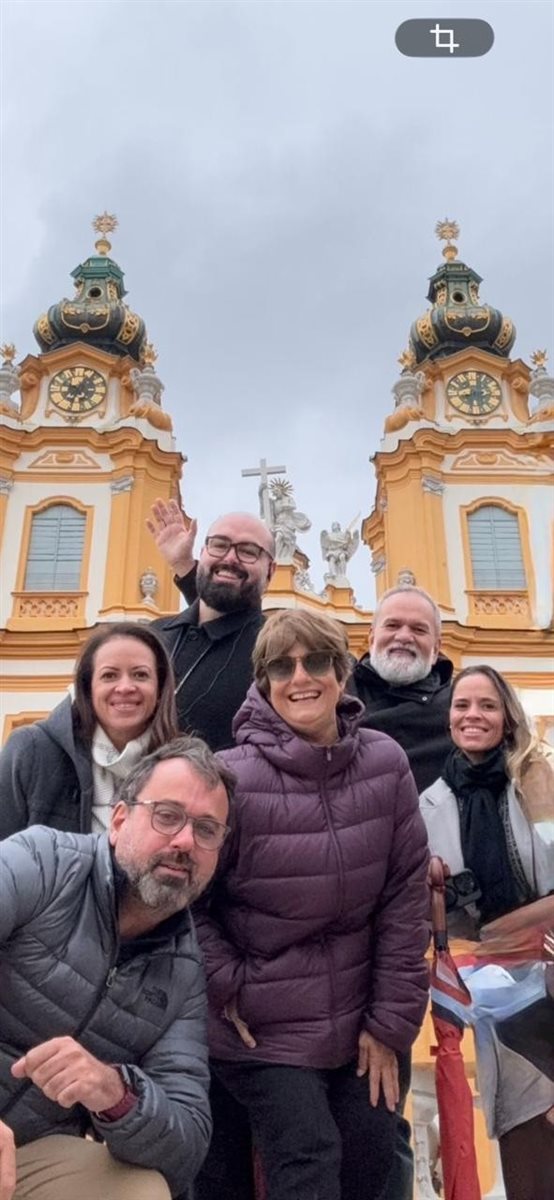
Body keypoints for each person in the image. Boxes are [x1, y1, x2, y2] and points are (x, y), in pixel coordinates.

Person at [195, 609, 430, 1200]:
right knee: (307, 1156)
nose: (301, 677)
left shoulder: (385, 761)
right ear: (263, 682)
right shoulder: (229, 777)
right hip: (263, 1022)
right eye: (281, 666)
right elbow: (188, 902)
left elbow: (405, 898)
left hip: (361, 1014)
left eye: (317, 661)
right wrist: (230, 987)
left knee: (371, 1151)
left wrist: (390, 1025)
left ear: (343, 673)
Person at [0, 736, 234, 1200]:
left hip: (32, 1153)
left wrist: (115, 1093)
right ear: (120, 819)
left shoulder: (183, 972)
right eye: (167, 815)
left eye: (207, 829)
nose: (185, 841)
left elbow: (186, 1143)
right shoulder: (43, 862)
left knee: (139, 1189)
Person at [420, 665, 554, 1200]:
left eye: (487, 706)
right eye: (461, 705)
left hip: (545, 968)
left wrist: (514, 928)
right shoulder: (429, 801)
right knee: (522, 1127)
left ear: (507, 718)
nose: (473, 716)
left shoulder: (536, 782)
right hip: (491, 992)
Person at [0, 621, 178, 838]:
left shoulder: (180, 767)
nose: (125, 687)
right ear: (87, 688)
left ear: (160, 689)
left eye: (140, 675)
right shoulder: (30, 750)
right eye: (109, 675)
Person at [147, 500, 275, 751]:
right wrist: (183, 567)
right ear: (202, 551)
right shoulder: (153, 635)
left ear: (271, 571)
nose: (230, 558)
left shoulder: (279, 647)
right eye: (219, 545)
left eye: (248, 551)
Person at [352, 583, 453, 792]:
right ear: (371, 639)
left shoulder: (458, 710)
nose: (404, 637)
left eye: (419, 629)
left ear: (436, 649)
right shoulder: (335, 692)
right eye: (392, 625)